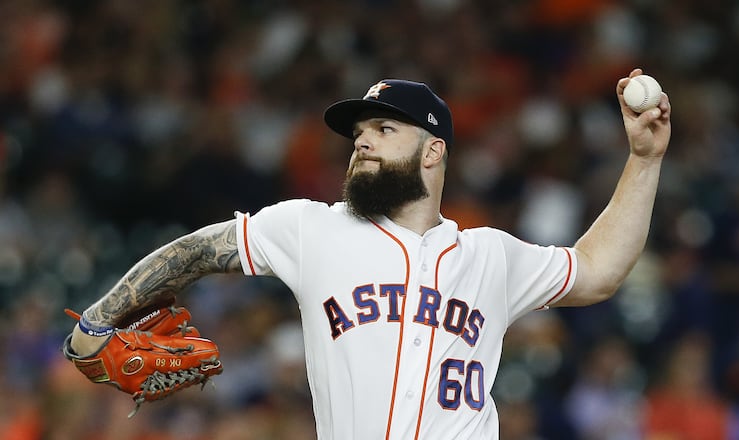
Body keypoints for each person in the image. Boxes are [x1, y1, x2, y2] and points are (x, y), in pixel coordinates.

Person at [66, 69, 671, 439]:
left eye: (385, 130)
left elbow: (598, 270)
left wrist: (644, 160)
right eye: (359, 134)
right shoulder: (313, 229)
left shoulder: (490, 256)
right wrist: (97, 321)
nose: (362, 143)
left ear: (433, 152)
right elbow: (198, 250)